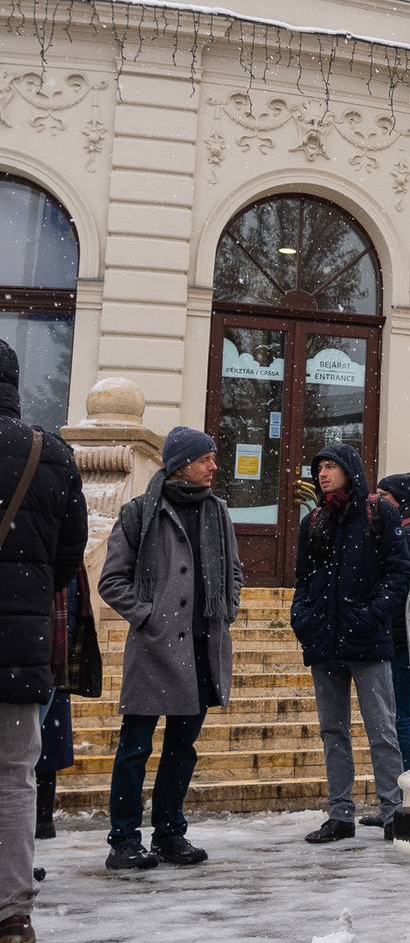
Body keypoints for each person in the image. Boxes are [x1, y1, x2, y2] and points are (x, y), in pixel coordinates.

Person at [97, 426, 241, 870]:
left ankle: (169, 832)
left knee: (182, 747)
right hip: (155, 649)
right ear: (181, 465)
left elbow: (234, 572)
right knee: (135, 747)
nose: (214, 466)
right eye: (205, 459)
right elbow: (111, 580)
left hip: (202, 648)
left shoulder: (218, 513)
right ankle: (124, 839)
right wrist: (149, 616)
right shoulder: (140, 512)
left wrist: (228, 608)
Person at [0, 337, 88, 943]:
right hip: (20, 648)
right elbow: (68, 557)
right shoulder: (49, 453)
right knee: (14, 778)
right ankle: (12, 912)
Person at [292, 444, 409, 843]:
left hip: (368, 642)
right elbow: (304, 579)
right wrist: (302, 618)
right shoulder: (314, 521)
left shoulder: (380, 513)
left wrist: (371, 615)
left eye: (330, 466)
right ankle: (340, 814)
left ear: (349, 469)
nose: (322, 474)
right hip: (324, 642)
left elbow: (399, 574)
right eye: (319, 467)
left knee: (382, 730)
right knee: (333, 732)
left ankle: (393, 812)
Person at [35, 570, 100, 841]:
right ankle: (39, 820)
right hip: (43, 660)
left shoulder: (68, 562)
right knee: (35, 751)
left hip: (51, 663)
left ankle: (41, 819)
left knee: (43, 750)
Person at [371, 472, 410, 777]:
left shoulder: (407, 538)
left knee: (400, 718)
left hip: (402, 642)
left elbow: (405, 594)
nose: (376, 501)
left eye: (383, 496)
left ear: (399, 501)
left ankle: (406, 780)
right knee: (405, 716)